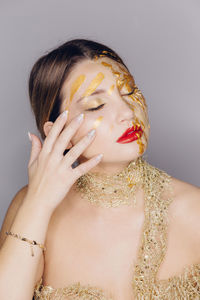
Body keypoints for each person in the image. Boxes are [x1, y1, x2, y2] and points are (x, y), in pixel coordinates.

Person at [0, 39, 199, 300]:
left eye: (129, 92)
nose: (128, 112)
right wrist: (38, 205)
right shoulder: (30, 209)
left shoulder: (193, 209)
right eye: (96, 105)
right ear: (58, 132)